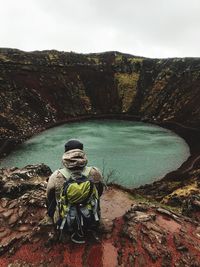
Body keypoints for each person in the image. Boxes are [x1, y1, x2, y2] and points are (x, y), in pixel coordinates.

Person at [46, 139, 104, 243]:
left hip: (66, 217)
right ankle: (91, 225)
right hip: (90, 216)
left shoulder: (56, 176)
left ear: (66, 154)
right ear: (82, 153)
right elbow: (99, 192)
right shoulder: (95, 172)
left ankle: (61, 227)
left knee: (52, 200)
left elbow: (49, 197)